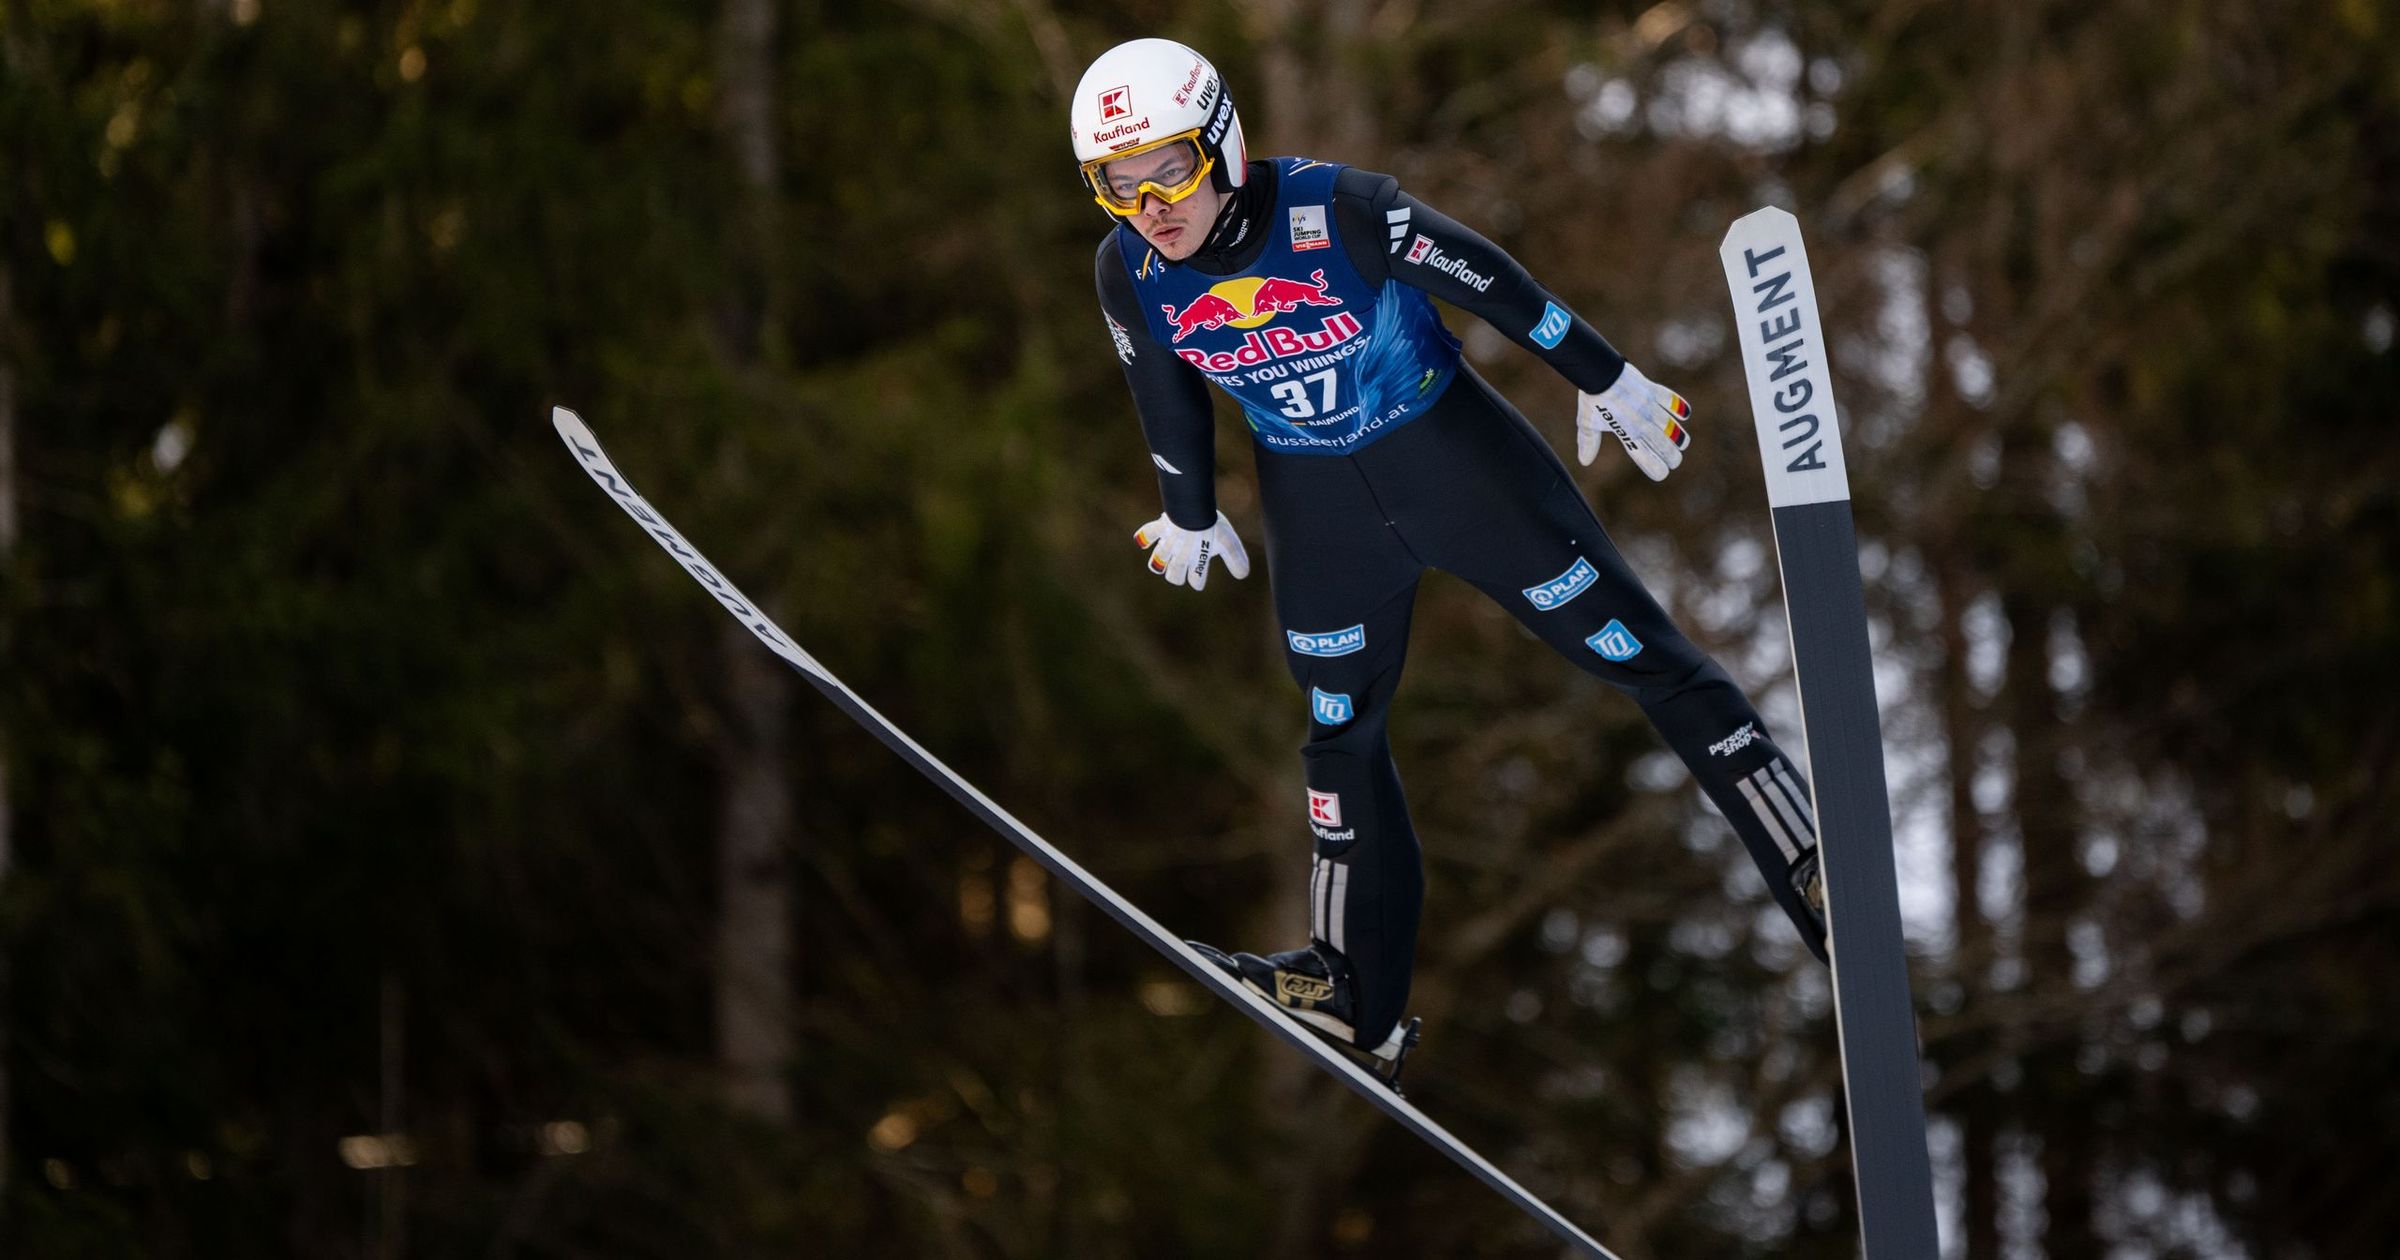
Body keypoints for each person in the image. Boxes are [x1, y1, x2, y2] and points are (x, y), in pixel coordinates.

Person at [1074, 38, 1826, 1074]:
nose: (1152, 206)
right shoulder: (1128, 269)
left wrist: (1607, 377)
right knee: (1338, 734)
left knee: (1644, 658)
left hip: (1461, 473)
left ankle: (1810, 863)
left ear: (1222, 146)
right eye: (1119, 185)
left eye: (1170, 170)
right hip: (1321, 513)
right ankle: (1354, 991)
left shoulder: (1335, 208)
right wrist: (1188, 513)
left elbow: (1494, 283)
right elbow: (1165, 393)